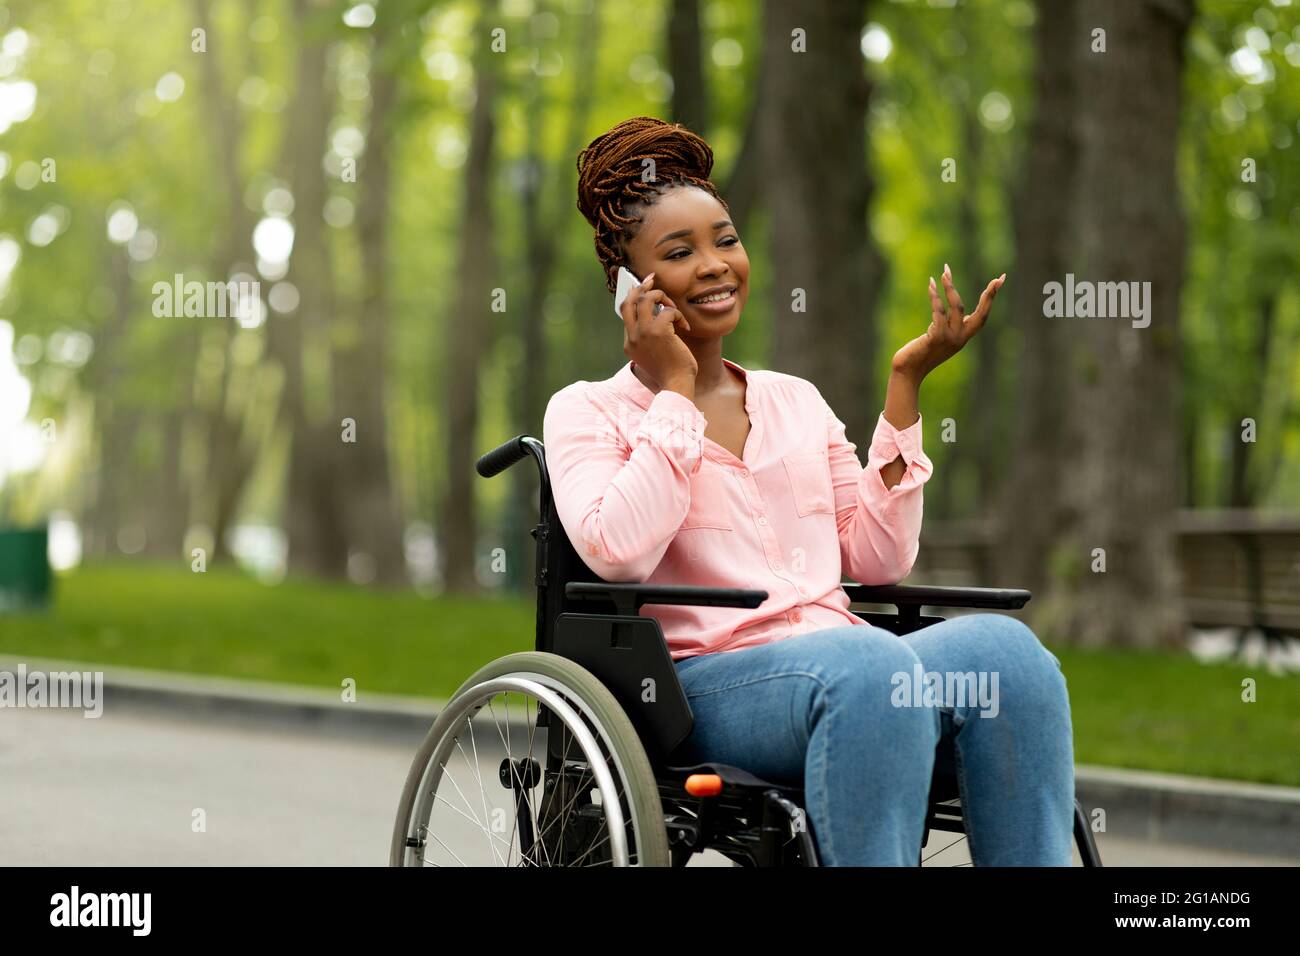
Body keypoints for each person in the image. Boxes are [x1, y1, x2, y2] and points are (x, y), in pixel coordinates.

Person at [543, 115, 1074, 866]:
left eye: (725, 239)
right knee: (871, 669)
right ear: (632, 287)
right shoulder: (588, 410)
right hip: (700, 689)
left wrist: (905, 387)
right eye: (679, 252)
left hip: (845, 663)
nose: (715, 264)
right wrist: (673, 392)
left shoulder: (795, 399)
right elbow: (617, 555)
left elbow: (877, 558)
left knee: (1010, 657)